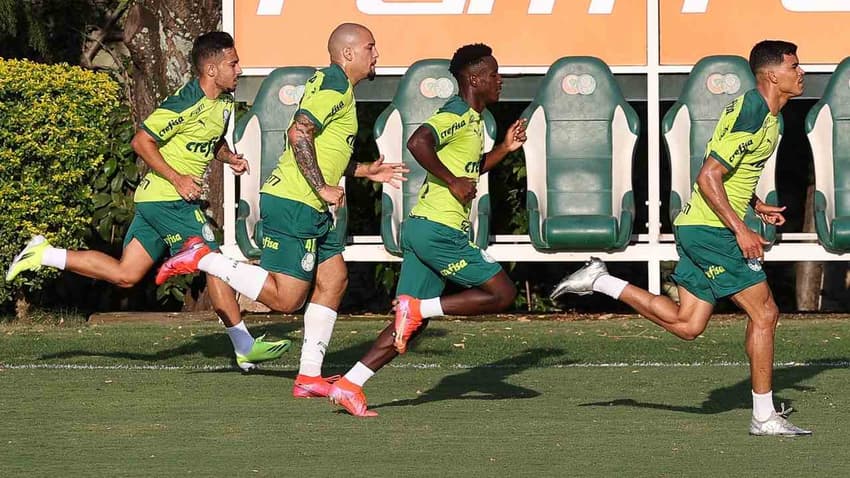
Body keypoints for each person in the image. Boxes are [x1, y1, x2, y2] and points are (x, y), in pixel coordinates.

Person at [551, 40, 811, 436]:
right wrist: (741, 230)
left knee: (688, 324)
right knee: (765, 313)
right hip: (713, 231)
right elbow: (706, 176)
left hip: (700, 226)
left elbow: (728, 172)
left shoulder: (771, 118)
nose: (801, 72)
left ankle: (599, 280)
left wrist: (755, 205)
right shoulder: (755, 112)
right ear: (773, 75)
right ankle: (762, 416)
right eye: (794, 66)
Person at [5, 32, 290, 372]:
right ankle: (244, 346)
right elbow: (141, 142)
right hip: (169, 200)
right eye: (233, 63)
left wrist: (229, 158)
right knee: (211, 261)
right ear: (212, 69)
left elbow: (209, 141)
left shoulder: (225, 102)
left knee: (126, 275)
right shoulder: (185, 102)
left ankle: (44, 253)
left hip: (156, 201)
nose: (239, 70)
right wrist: (177, 178)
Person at [155, 23, 407, 398]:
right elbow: (299, 134)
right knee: (287, 299)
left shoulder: (338, 87)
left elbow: (325, 149)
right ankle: (204, 258)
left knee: (334, 280)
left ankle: (308, 376)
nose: (377, 54)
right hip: (296, 202)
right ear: (349, 53)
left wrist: (364, 170)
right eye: (371, 47)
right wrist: (322, 186)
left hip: (310, 204)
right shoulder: (335, 85)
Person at [327, 43, 527, 417]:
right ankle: (419, 306)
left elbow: (471, 167)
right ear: (474, 79)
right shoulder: (456, 111)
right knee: (502, 292)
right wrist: (451, 182)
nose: (500, 82)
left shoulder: (472, 120)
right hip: (437, 230)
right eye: (494, 75)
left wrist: (503, 148)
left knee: (410, 327)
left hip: (424, 230)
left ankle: (350, 384)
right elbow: (418, 141)